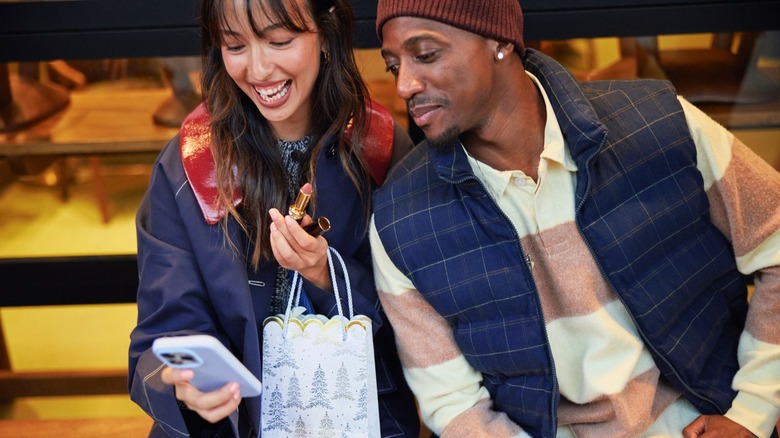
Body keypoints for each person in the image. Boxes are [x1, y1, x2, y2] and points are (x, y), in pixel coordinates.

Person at [369, 1, 780, 437]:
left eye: (426, 54)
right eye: (394, 66)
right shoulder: (402, 220)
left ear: (500, 40)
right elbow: (451, 402)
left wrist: (753, 411)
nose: (405, 86)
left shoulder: (659, 127)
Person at [128, 0, 420, 436]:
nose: (258, 69)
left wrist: (326, 274)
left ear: (326, 32)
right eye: (235, 45)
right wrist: (183, 384)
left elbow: (424, 318)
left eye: (279, 40)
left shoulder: (379, 150)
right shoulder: (187, 166)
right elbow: (162, 335)